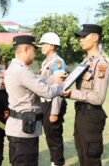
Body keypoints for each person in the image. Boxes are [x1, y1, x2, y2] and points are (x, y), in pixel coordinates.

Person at [4, 35, 66, 166]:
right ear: (26, 50)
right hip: (24, 132)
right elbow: (47, 92)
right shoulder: (22, 72)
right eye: (33, 50)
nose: (35, 53)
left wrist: (53, 78)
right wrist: (59, 85)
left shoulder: (14, 68)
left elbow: (37, 82)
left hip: (20, 128)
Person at [64, 24, 109, 166]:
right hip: (81, 114)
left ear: (95, 38)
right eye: (81, 37)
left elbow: (98, 97)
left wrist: (72, 93)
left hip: (91, 116)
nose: (81, 40)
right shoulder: (85, 62)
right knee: (83, 156)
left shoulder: (101, 64)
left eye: (84, 37)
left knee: (91, 159)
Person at [39, 32, 67, 166]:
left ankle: (57, 162)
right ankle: (54, 161)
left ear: (51, 46)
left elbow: (59, 88)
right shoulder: (46, 62)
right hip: (45, 103)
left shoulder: (57, 62)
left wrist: (54, 112)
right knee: (49, 136)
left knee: (54, 137)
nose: (41, 47)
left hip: (52, 104)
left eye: (43, 44)